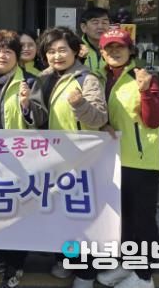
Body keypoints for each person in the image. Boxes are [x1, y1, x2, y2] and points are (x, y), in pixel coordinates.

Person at [37, 26, 109, 287]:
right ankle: (67, 261)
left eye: (62, 50)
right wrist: (25, 106)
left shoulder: (87, 79)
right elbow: (39, 118)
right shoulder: (43, 78)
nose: (56, 56)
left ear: (76, 51)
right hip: (53, 159)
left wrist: (80, 103)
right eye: (51, 51)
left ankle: (85, 273)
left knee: (83, 218)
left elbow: (99, 119)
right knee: (61, 215)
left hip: (83, 161)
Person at [95, 28, 159, 288]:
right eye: (109, 48)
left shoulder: (143, 77)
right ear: (102, 52)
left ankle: (144, 276)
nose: (114, 52)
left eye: (120, 47)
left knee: (143, 220)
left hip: (141, 161)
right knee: (122, 220)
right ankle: (128, 264)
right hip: (113, 161)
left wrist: (145, 91)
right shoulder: (101, 78)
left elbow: (154, 120)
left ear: (130, 50)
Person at [0, 30, 47, 288]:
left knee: (18, 212)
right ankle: (3, 255)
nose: (1, 56)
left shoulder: (29, 82)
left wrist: (26, 105)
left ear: (17, 56)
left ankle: (15, 264)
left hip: (19, 160)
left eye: (8, 51)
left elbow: (40, 120)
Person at [79, 7, 111, 72]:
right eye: (95, 23)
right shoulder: (76, 49)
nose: (100, 26)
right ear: (83, 27)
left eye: (104, 23)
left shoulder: (116, 48)